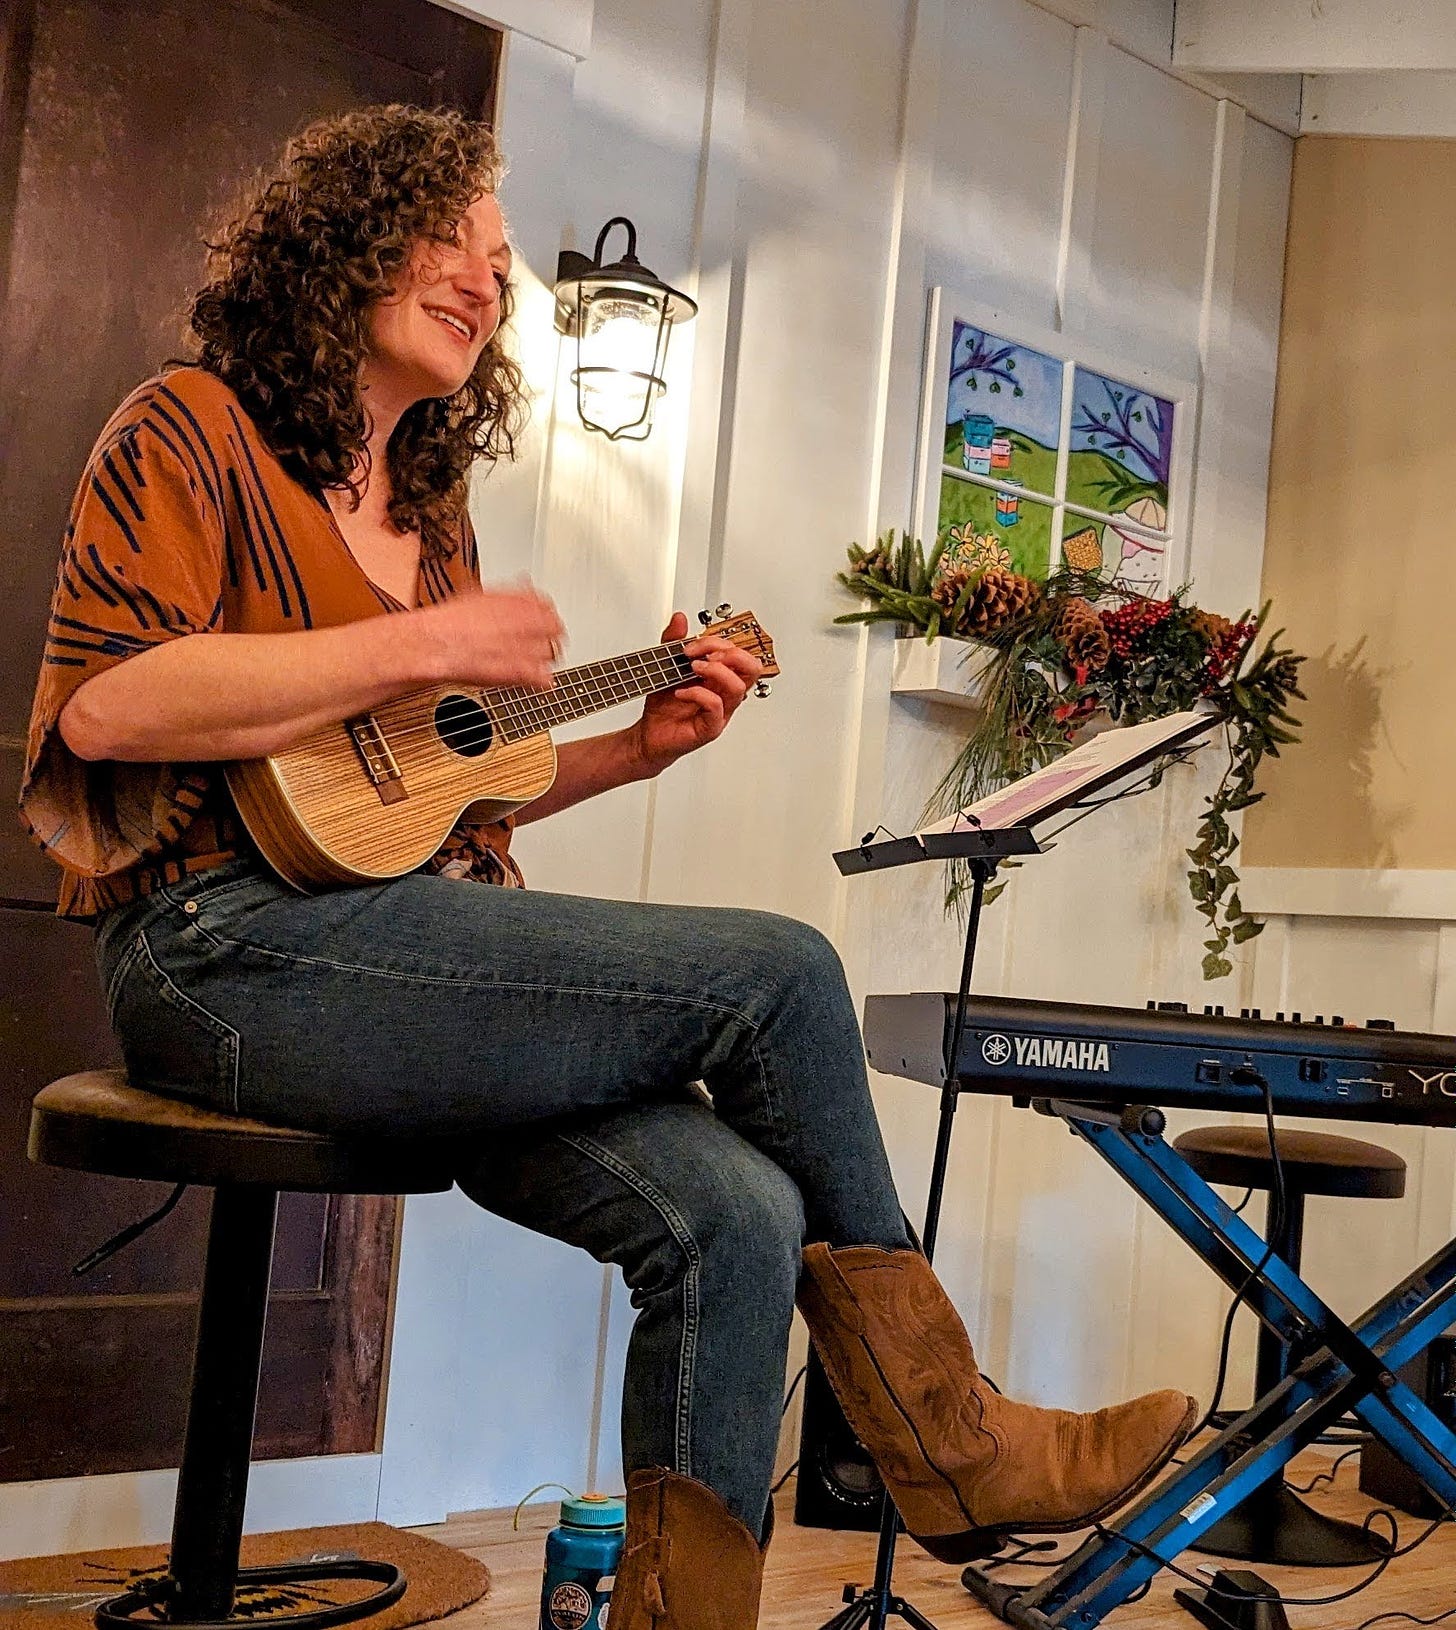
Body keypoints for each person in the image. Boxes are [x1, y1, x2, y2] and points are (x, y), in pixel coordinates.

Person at [20, 105, 1195, 1629]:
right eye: (453, 236)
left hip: (399, 946)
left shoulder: (428, 511)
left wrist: (637, 752)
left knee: (737, 1216)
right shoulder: (188, 428)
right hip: (214, 949)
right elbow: (107, 707)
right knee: (780, 968)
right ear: (345, 239)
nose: (482, 279)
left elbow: (425, 802)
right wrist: (434, 637)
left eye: (500, 264)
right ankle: (950, 1434)